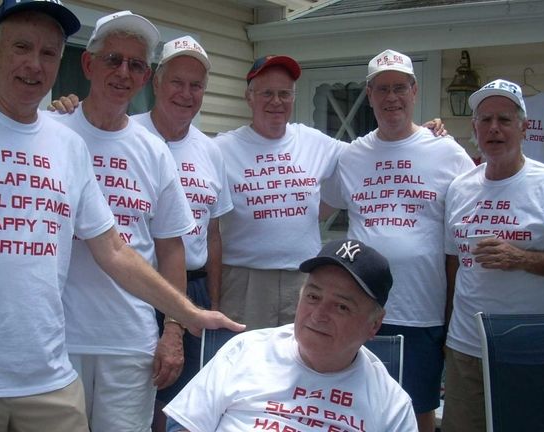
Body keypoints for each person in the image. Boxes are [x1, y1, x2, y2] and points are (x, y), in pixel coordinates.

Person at [0, 2, 242, 431]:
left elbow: (113, 250)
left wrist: (187, 316)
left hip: (50, 376)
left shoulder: (66, 146)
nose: (35, 64)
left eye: (49, 53)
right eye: (22, 47)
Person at [215, 55, 447, 332]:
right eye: (267, 93)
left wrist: (424, 133)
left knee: (306, 361)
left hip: (304, 280)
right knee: (245, 364)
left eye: (284, 93)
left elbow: (377, 150)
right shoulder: (220, 149)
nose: (276, 101)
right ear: (249, 97)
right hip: (245, 281)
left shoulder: (316, 143)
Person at [45, 11, 197, 432]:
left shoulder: (153, 151)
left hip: (130, 340)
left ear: (145, 78)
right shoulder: (51, 130)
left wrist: (172, 332)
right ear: (89, 65)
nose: (123, 72)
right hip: (56, 338)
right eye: (113, 59)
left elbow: (170, 247)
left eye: (135, 64)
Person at [322, 49, 475, 432]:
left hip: (421, 309)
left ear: (414, 91)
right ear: (369, 95)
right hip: (360, 306)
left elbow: (482, 199)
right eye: (382, 89)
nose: (392, 97)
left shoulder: (446, 151)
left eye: (400, 88)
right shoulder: (353, 154)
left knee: (418, 408)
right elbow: (313, 209)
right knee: (355, 405)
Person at [440, 78, 544, 432]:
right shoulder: (459, 188)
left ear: (524, 127)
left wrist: (521, 258)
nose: (494, 128)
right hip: (467, 348)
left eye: (505, 119)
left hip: (533, 349)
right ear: (474, 128)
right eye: (485, 119)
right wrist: (447, 334)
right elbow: (454, 265)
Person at [164, 238, 418, 432]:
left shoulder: (391, 405)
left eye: (342, 306)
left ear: (374, 325)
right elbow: (185, 424)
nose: (318, 315)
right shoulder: (245, 351)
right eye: (313, 297)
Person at [130, 36, 234, 431]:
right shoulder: (128, 134)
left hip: (192, 289)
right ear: (156, 82)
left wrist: (212, 303)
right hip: (136, 287)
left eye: (196, 85)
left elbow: (213, 236)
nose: (186, 94)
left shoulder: (211, 151)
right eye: (177, 82)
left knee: (184, 403)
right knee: (136, 397)